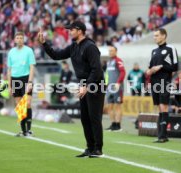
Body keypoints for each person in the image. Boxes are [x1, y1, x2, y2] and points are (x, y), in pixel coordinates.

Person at [37, 21, 105, 158]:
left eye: (71, 29)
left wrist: (87, 86)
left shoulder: (90, 47)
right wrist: (44, 43)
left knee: (94, 118)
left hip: (95, 85)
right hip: (83, 85)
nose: (69, 32)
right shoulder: (74, 46)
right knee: (85, 119)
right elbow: (56, 55)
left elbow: (97, 70)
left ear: (80, 31)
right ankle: (90, 148)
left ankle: (98, 149)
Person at [146, 28, 178, 143]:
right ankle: (161, 135)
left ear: (164, 36)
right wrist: (149, 71)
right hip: (154, 83)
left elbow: (175, 67)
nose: (155, 37)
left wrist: (161, 67)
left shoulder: (171, 49)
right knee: (159, 107)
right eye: (154, 36)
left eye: (157, 35)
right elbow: (149, 67)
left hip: (165, 81)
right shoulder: (154, 51)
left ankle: (163, 136)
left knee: (163, 106)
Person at [7, 32, 36, 137]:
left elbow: (32, 67)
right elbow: (9, 70)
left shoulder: (29, 51)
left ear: (23, 40)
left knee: (27, 103)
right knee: (20, 106)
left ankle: (29, 130)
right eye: (17, 38)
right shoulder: (11, 52)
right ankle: (23, 131)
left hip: (26, 78)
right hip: (15, 79)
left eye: (21, 38)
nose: (19, 39)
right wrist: (10, 85)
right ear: (14, 40)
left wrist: (30, 82)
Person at [105, 46, 125, 131]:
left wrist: (118, 83)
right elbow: (106, 74)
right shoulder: (108, 62)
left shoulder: (118, 61)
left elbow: (123, 72)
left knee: (117, 106)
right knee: (109, 106)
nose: (110, 52)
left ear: (116, 51)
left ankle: (118, 125)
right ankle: (113, 124)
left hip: (117, 87)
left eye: (112, 51)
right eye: (109, 51)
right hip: (109, 88)